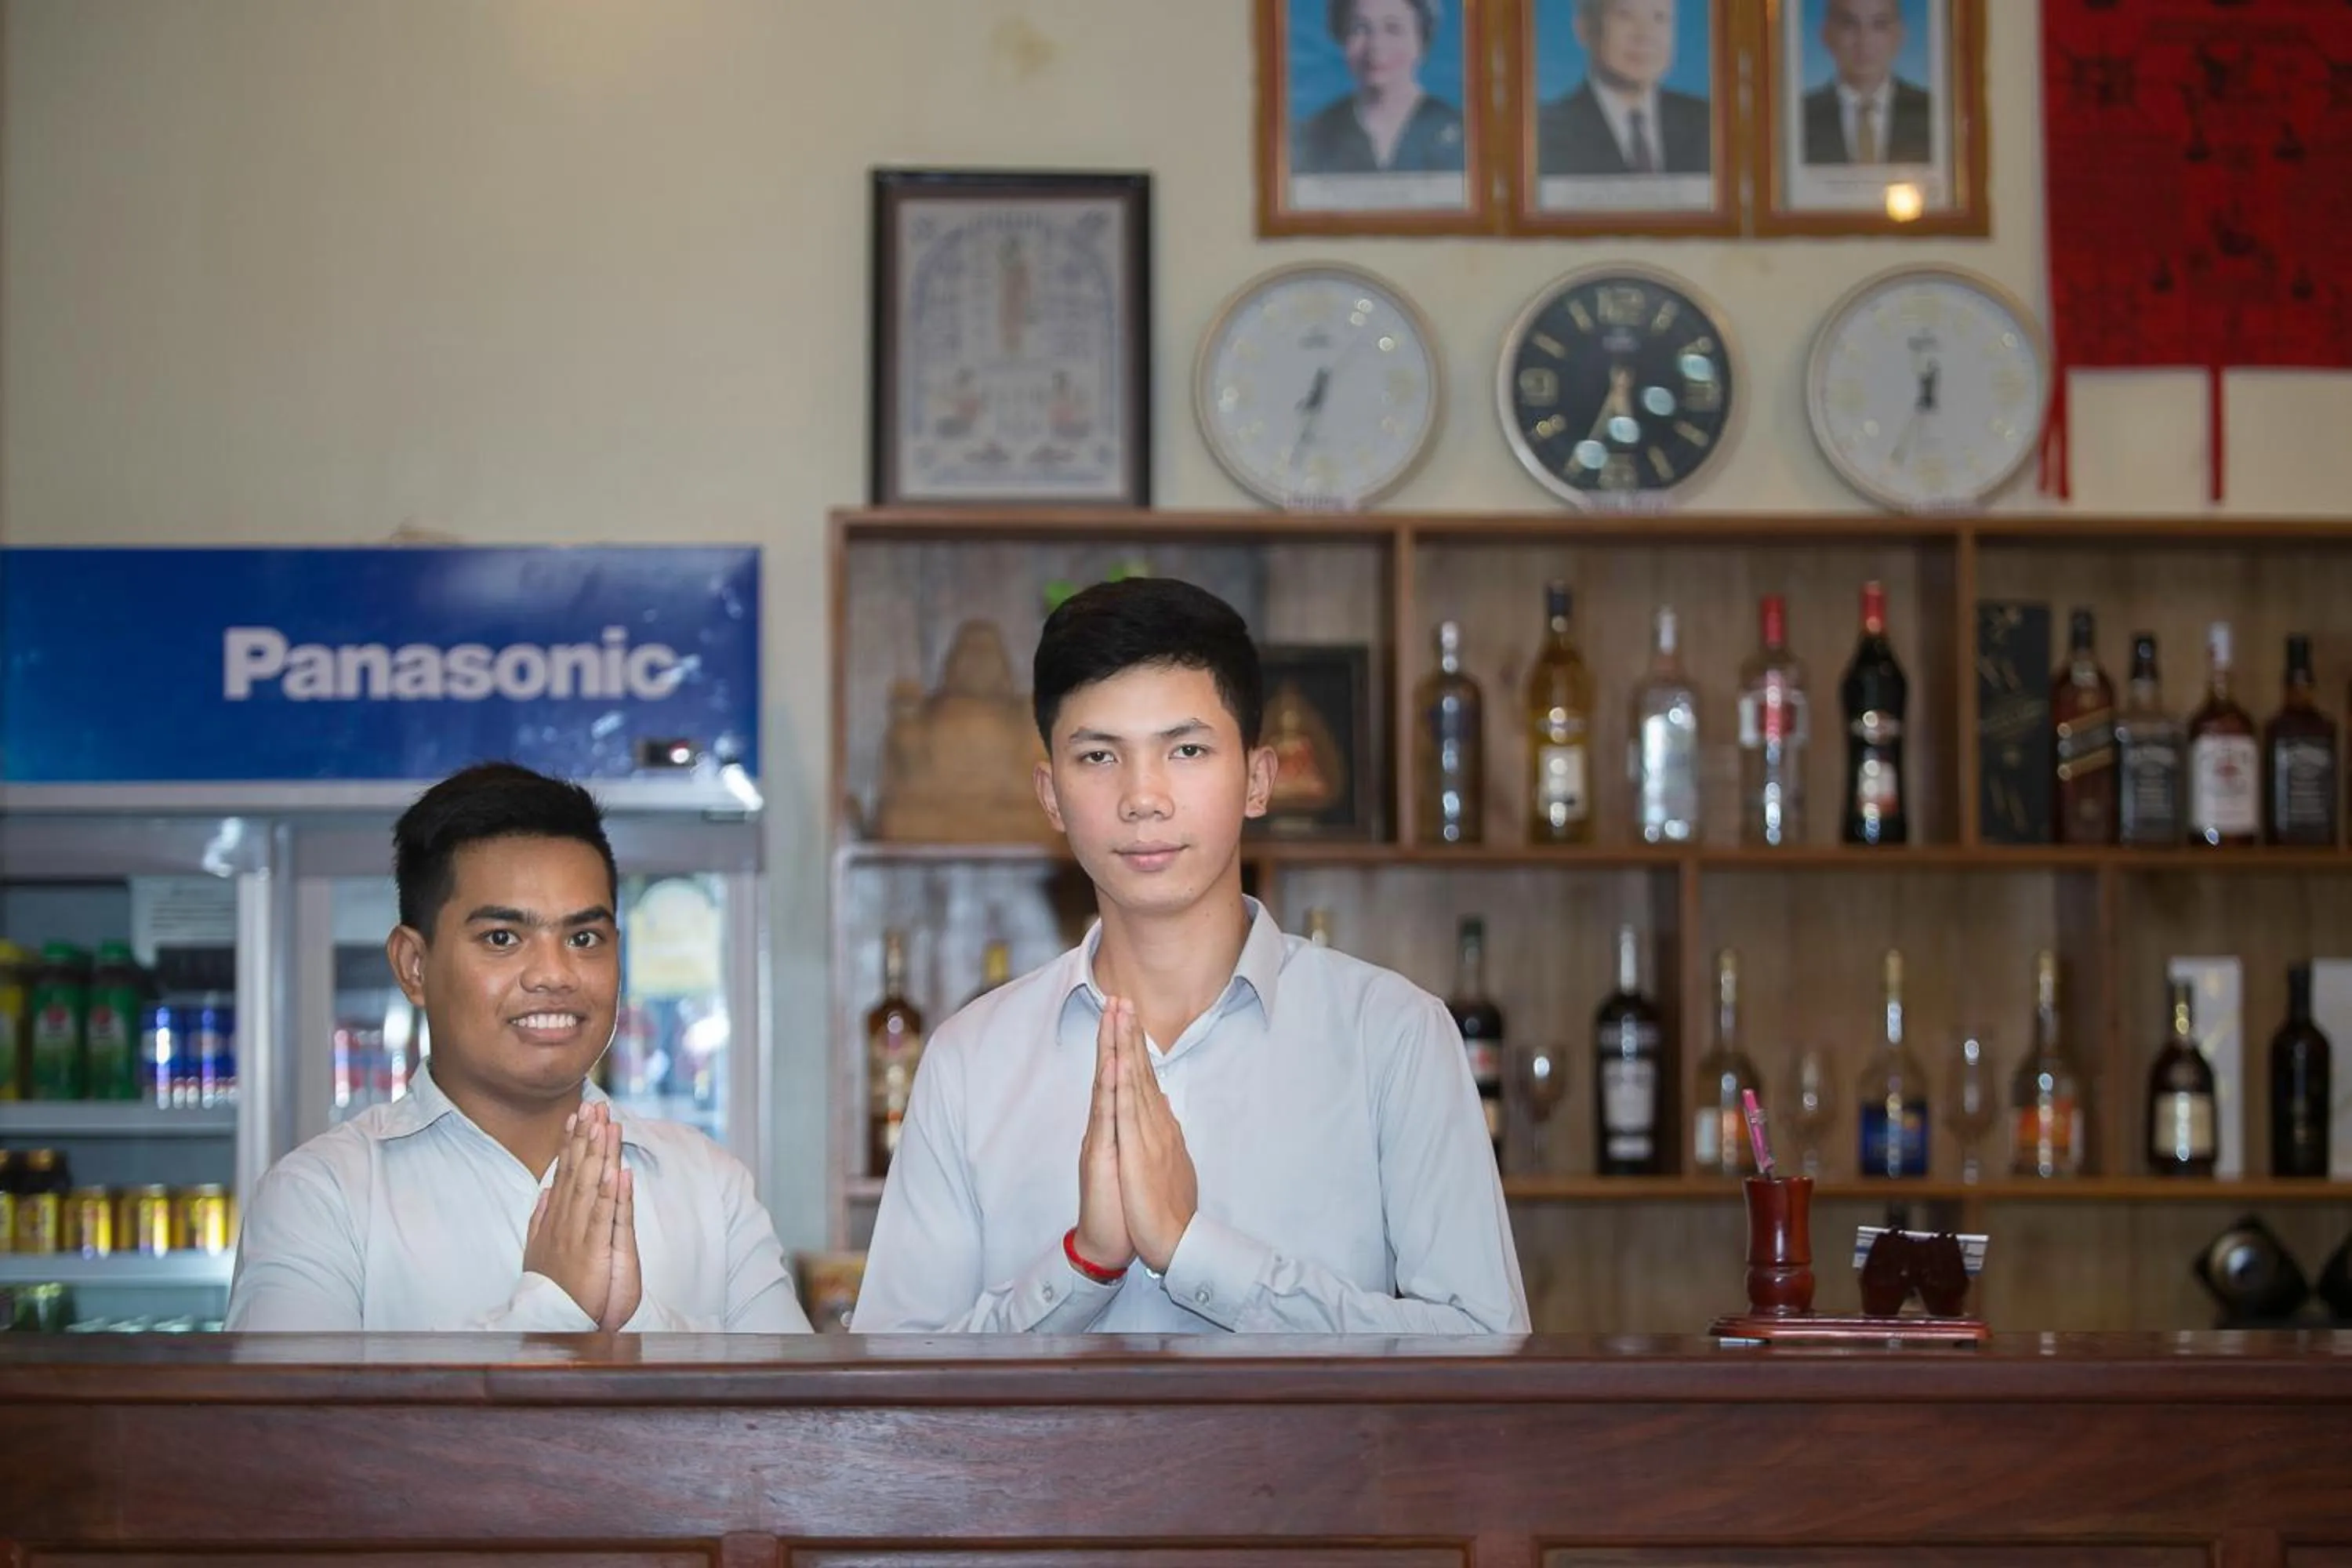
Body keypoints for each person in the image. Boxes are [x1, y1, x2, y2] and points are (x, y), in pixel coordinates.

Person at [854, 578, 1529, 1334]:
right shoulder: (969, 1061)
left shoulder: (1392, 1035)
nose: (1144, 797)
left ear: (1259, 779)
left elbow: (1486, 1345)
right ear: (1050, 795)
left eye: (1186, 749)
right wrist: (1084, 1265)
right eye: (1100, 755)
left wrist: (1194, 1252)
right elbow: (891, 1386)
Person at [226, 762, 811, 1332]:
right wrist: (551, 1310)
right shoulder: (320, 1198)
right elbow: (292, 1433)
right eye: (503, 938)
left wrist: (631, 1324)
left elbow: (795, 1423)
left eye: (584, 938)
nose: (555, 974)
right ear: (414, 965)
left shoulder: (710, 1185)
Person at [1536, 0, 1712, 176]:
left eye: (1660, 17)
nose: (1645, 35)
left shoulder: (1707, 121)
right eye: (1625, 15)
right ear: (1584, 28)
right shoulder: (1545, 130)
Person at [1291, 0, 1468, 176]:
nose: (1376, 47)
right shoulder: (1311, 136)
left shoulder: (1463, 132)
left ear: (1421, 42)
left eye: (1393, 29)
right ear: (1343, 40)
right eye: (1359, 29)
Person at [1802, 0, 1932, 165]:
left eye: (1879, 25)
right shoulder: (1801, 116)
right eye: (1849, 25)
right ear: (1826, 34)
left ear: (1900, 34)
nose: (1864, 41)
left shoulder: (1931, 112)